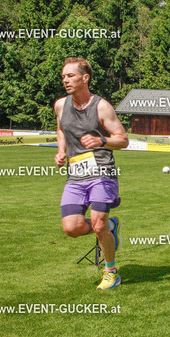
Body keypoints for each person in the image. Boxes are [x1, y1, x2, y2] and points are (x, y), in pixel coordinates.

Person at [54, 57, 129, 290]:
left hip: (102, 172)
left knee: (98, 225)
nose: (65, 80)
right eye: (63, 76)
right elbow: (60, 129)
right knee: (71, 228)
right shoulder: (60, 105)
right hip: (76, 174)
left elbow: (123, 140)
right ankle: (111, 228)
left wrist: (102, 140)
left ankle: (111, 272)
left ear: (85, 78)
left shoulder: (101, 106)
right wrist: (61, 151)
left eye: (71, 76)